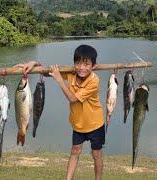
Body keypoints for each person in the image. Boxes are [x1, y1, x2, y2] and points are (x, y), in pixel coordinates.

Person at [22, 45, 104, 180]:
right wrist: (35, 64)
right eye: (78, 63)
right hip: (78, 124)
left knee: (96, 154)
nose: (81, 68)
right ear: (74, 64)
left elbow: (73, 99)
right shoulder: (71, 73)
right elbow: (46, 72)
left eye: (86, 64)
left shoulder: (94, 81)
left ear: (93, 66)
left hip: (95, 124)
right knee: (75, 151)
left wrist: (60, 80)